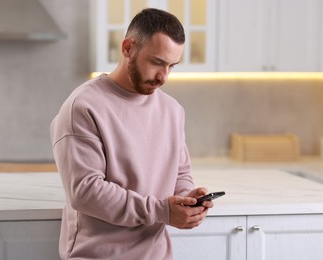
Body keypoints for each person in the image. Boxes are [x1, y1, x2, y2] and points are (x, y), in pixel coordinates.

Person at [50, 8, 213, 260]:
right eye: (157, 62)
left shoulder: (172, 110)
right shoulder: (83, 107)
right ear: (128, 48)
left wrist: (189, 200)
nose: (164, 76)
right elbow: (86, 192)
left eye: (171, 66)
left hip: (156, 255)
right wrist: (162, 211)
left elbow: (180, 173)